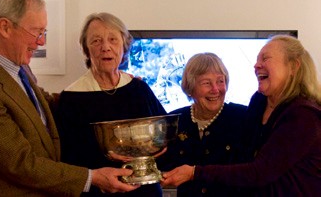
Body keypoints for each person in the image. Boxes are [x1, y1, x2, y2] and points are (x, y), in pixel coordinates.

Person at [0, 0, 139, 196]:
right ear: (5, 27)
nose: (41, 42)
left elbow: (41, 103)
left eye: (44, 32)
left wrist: (98, 91)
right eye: (36, 32)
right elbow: (21, 163)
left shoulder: (17, 64)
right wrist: (92, 177)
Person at [161, 35, 321, 197]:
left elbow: (259, 171)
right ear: (190, 87)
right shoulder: (259, 102)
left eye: (265, 58)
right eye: (206, 83)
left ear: (293, 67)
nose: (256, 65)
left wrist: (195, 172)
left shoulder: (303, 117)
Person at [55, 12, 167, 197]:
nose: (105, 47)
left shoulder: (139, 88)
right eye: (96, 41)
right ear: (86, 49)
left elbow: (163, 134)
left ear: (124, 45)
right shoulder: (71, 97)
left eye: (113, 39)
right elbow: (68, 159)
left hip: (145, 190)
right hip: (99, 192)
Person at [157, 53, 248, 196]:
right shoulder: (174, 121)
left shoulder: (243, 118)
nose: (216, 89)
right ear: (190, 88)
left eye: (220, 81)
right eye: (206, 83)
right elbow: (159, 165)